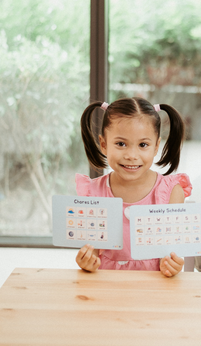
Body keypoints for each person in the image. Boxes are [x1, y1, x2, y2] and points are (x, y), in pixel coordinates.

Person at [75, 97, 192, 277]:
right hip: (107, 288)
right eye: (121, 144)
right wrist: (87, 261)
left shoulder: (171, 192)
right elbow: (92, 250)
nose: (131, 155)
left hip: (155, 291)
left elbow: (172, 253)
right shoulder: (93, 193)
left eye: (143, 145)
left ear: (156, 147)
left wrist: (173, 265)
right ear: (104, 144)